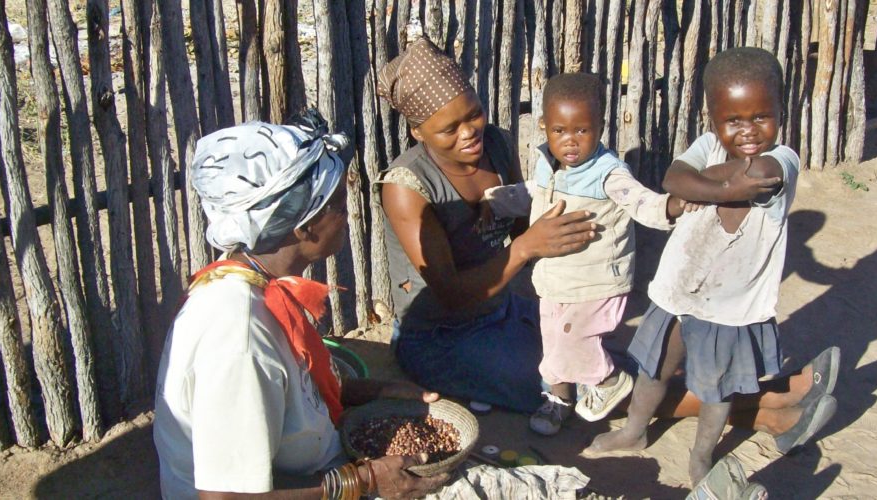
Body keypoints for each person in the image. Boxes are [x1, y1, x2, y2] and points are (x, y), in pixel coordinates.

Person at [154, 111, 447, 499]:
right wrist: (364, 481)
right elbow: (223, 498)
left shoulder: (258, 282)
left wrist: (375, 392)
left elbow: (293, 395)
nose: (348, 215)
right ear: (304, 225)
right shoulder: (239, 338)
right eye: (338, 203)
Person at [584, 47, 839, 486]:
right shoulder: (707, 145)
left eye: (761, 117)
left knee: (716, 389)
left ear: (782, 110)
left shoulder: (785, 160)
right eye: (732, 120)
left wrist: (701, 184)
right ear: (712, 117)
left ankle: (701, 457)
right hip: (676, 289)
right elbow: (672, 180)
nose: (748, 131)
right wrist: (720, 187)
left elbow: (754, 175)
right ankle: (633, 431)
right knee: (654, 369)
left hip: (729, 308)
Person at [374, 37, 597, 415]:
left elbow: (525, 223)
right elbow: (451, 294)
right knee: (572, 382)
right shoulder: (407, 187)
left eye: (474, 114)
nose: (469, 133)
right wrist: (527, 247)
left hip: (500, 308)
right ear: (418, 132)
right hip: (440, 337)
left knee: (597, 353)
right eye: (449, 129)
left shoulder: (496, 144)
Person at [479, 72, 686, 435]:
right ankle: (558, 401)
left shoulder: (608, 174)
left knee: (573, 339)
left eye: (582, 131)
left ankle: (607, 381)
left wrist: (671, 207)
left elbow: (640, 201)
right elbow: (535, 193)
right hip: (556, 279)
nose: (570, 141)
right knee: (554, 343)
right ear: (544, 127)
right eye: (559, 130)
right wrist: (496, 200)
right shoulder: (548, 163)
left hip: (595, 282)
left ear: (601, 127)